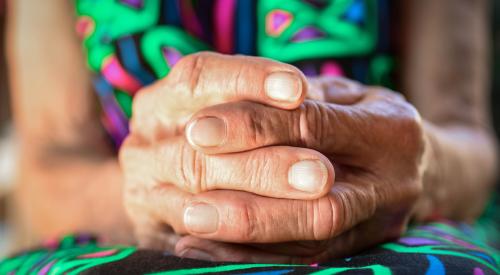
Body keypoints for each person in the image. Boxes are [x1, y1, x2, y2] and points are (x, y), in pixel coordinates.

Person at [1, 0, 498, 274]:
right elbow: (46, 174)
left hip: (392, 224)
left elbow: (469, 145)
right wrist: (145, 196)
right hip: (131, 234)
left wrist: (417, 164)